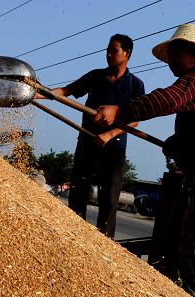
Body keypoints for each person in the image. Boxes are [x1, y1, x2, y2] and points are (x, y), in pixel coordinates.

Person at [95, 23, 195, 297]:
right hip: (192, 179)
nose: (170, 62)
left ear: (194, 53)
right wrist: (177, 144)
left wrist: (121, 108)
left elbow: (167, 100)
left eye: (175, 52)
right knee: (177, 243)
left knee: (193, 261)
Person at [38, 34, 145, 238]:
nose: (108, 54)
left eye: (114, 50)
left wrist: (109, 134)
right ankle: (73, 235)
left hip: (114, 147)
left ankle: (105, 241)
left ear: (127, 53)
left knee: (109, 198)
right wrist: (39, 92)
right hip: (87, 141)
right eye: (107, 50)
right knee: (78, 191)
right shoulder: (96, 77)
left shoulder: (135, 85)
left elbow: (135, 120)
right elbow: (67, 91)